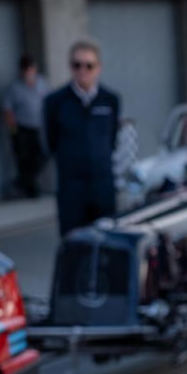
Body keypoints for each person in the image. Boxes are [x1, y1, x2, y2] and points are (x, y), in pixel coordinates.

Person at [44, 39, 120, 235]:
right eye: (77, 65)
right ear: (71, 67)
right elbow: (51, 142)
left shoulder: (110, 100)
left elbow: (111, 138)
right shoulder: (56, 102)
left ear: (99, 67)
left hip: (102, 188)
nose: (83, 70)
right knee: (75, 246)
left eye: (89, 65)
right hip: (72, 191)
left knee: (107, 244)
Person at [1, 54, 50, 199]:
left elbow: (51, 101)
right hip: (22, 129)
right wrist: (13, 129)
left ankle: (22, 182)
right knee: (24, 160)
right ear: (21, 71)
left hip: (40, 128)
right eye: (26, 69)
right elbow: (7, 109)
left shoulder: (42, 83)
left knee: (42, 155)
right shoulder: (14, 87)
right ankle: (31, 190)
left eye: (31, 69)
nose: (29, 72)